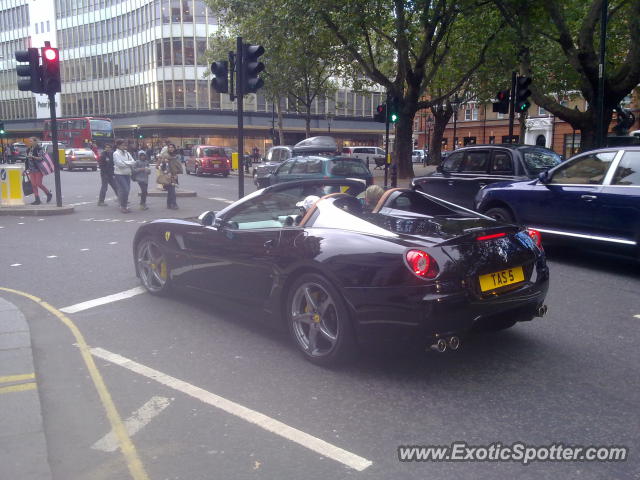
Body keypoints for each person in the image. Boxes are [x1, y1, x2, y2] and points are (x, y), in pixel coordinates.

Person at [25, 137, 52, 205]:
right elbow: (27, 159)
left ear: (35, 141)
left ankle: (48, 193)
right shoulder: (28, 149)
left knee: (38, 184)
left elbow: (41, 158)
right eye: (29, 141)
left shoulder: (39, 149)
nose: (30, 142)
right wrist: (26, 169)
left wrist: (33, 157)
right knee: (33, 185)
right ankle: (37, 199)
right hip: (31, 169)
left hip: (38, 169)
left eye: (31, 141)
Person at [113, 139, 136, 213]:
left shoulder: (127, 153)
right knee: (125, 189)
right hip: (119, 174)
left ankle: (124, 205)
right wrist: (128, 163)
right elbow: (119, 164)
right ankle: (123, 206)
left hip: (127, 174)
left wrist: (126, 163)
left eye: (125, 145)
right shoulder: (116, 153)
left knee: (126, 190)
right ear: (118, 145)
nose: (124, 146)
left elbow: (133, 162)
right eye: (123, 145)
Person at [159, 143, 183, 209]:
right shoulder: (165, 156)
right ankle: (174, 204)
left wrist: (177, 173)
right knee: (172, 190)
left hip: (174, 175)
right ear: (168, 148)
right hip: (167, 175)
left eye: (172, 147)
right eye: (169, 147)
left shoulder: (176, 156)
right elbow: (160, 166)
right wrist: (164, 161)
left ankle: (169, 204)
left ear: (174, 148)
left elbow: (178, 165)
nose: (171, 148)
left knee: (171, 190)